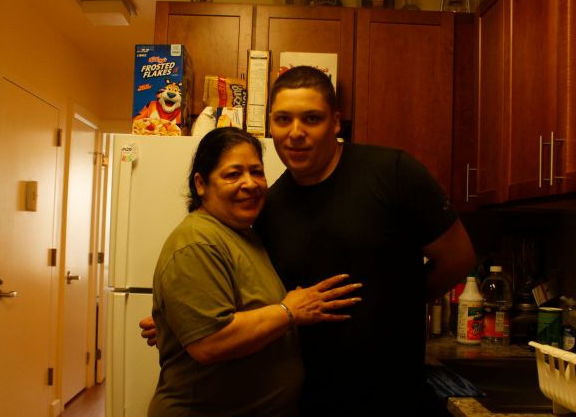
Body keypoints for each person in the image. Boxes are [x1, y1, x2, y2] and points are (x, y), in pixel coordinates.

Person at [253, 65, 477, 416]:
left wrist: (399, 298)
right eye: (283, 119)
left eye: (311, 118)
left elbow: (458, 257)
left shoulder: (394, 173)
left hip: (394, 397)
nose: (295, 133)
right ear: (271, 124)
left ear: (335, 122)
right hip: (305, 402)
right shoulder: (268, 207)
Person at [146, 127, 362, 417]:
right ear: (201, 184)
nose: (250, 184)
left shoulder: (243, 233)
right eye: (233, 174)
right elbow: (210, 343)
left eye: (256, 172)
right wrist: (289, 311)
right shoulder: (196, 242)